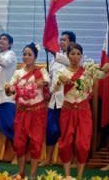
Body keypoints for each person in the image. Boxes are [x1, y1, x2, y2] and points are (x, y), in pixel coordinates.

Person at [55, 42, 109, 179]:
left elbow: (103, 72)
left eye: (78, 54)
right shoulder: (62, 71)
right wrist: (62, 80)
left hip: (84, 111)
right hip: (67, 110)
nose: (75, 56)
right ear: (67, 56)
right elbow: (55, 86)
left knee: (83, 145)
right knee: (66, 143)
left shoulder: (88, 71)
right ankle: (67, 175)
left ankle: (79, 176)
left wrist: (105, 68)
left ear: (82, 56)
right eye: (72, 54)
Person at [4, 43, 49, 179]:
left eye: (30, 54)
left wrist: (38, 83)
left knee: (36, 143)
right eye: (24, 54)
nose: (26, 57)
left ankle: (33, 174)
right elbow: (10, 88)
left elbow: (46, 82)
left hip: (37, 112)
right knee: (19, 143)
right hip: (21, 112)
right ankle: (21, 172)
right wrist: (9, 88)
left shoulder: (42, 71)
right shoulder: (18, 73)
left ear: (35, 56)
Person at [42, 31, 75, 166]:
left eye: (64, 40)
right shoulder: (54, 59)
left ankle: (69, 160)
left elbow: (67, 61)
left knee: (68, 131)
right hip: (53, 101)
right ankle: (48, 159)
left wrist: (53, 52)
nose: (61, 42)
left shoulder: (74, 58)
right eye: (60, 40)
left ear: (71, 43)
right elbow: (50, 78)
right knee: (51, 130)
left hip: (67, 102)